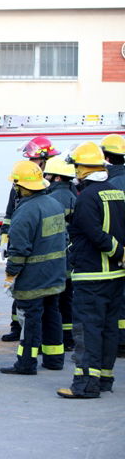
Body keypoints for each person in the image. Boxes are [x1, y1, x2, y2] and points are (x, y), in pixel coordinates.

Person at [58, 142, 125, 398]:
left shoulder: (86, 197)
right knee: (109, 328)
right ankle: (104, 379)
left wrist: (117, 251)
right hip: (116, 276)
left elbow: (94, 233)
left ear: (83, 169)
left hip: (92, 275)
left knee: (87, 330)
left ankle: (86, 384)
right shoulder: (115, 192)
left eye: (76, 167)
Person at [0, 161, 67, 375]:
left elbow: (19, 250)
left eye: (16, 185)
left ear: (22, 186)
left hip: (33, 278)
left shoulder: (25, 211)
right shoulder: (54, 204)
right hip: (55, 274)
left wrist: (10, 274)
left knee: (31, 319)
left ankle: (26, 364)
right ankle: (54, 359)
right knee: (52, 315)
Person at [0, 136, 60, 342]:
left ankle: (29, 352)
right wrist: (5, 238)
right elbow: (10, 214)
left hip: (38, 250)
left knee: (36, 303)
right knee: (20, 294)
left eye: (33, 160)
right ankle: (16, 328)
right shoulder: (21, 182)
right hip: (23, 242)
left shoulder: (52, 185)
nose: (30, 164)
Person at [43, 156, 78, 350]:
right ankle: (69, 339)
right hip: (72, 260)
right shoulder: (76, 197)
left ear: (56, 178)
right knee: (68, 301)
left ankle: (53, 340)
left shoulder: (49, 199)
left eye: (48, 175)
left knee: (53, 304)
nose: (45, 177)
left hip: (55, 261)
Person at [99, 134, 125, 358]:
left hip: (118, 251)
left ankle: (121, 342)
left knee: (120, 299)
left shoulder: (112, 185)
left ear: (106, 157)